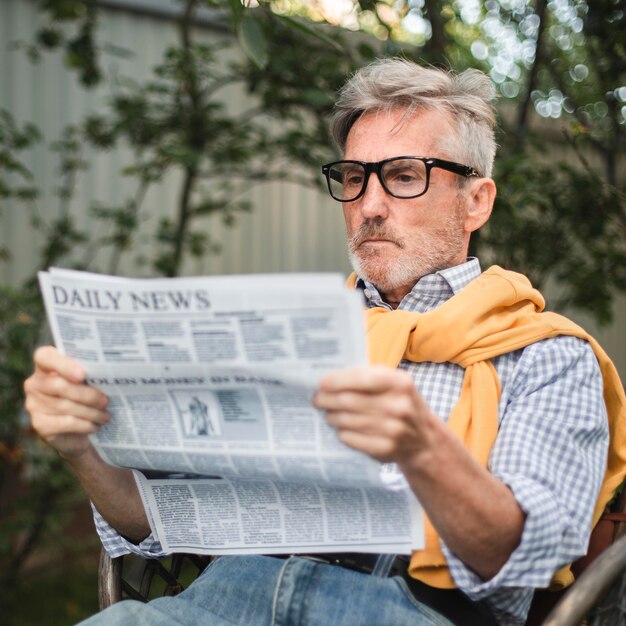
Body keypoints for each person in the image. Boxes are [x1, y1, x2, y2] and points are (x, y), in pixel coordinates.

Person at [23, 58, 624, 626]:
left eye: (405, 176)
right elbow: (149, 522)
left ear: (476, 202)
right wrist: (81, 445)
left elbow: (522, 560)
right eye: (355, 178)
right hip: (222, 600)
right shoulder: (287, 333)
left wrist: (424, 452)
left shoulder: (546, 356)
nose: (370, 206)